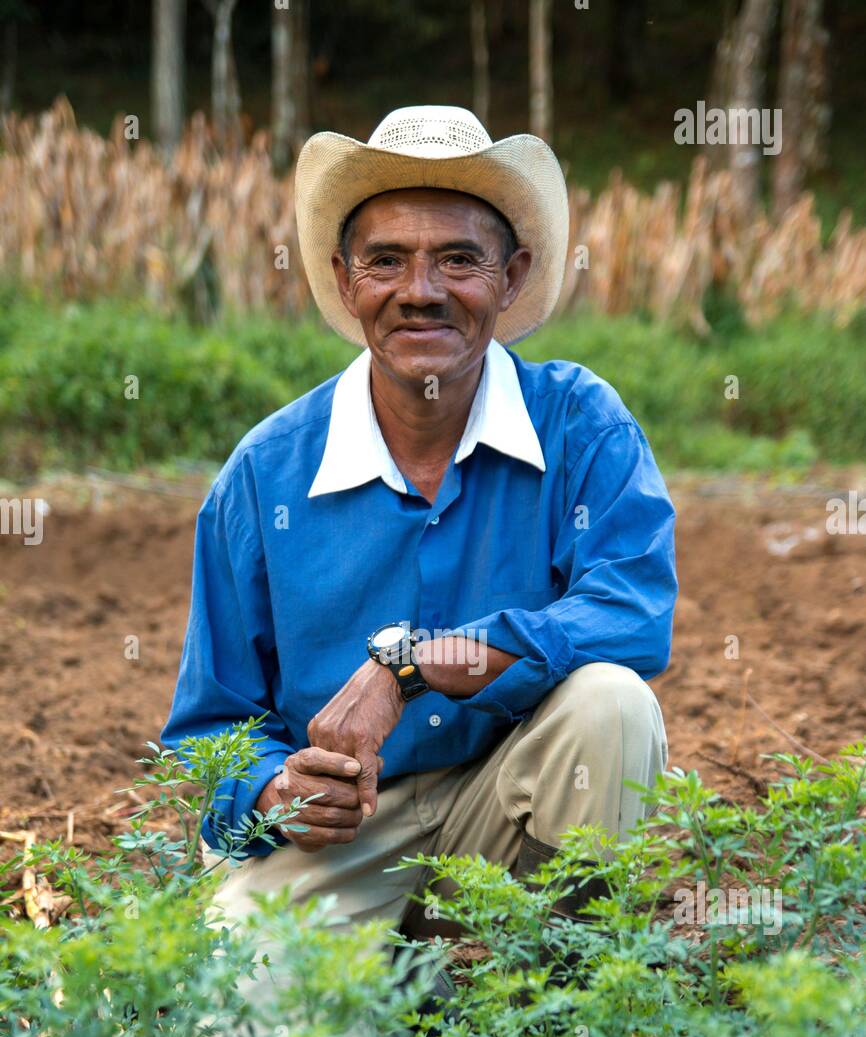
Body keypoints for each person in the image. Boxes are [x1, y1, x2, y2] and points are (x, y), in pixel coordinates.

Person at [162, 104, 676, 938]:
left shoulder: (583, 426)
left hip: (509, 813)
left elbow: (633, 613)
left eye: (459, 259)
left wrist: (407, 667)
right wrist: (273, 790)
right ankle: (410, 988)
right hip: (346, 846)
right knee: (233, 1027)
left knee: (610, 705)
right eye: (387, 261)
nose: (421, 291)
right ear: (343, 278)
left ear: (512, 277)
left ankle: (544, 986)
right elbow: (208, 725)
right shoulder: (265, 476)